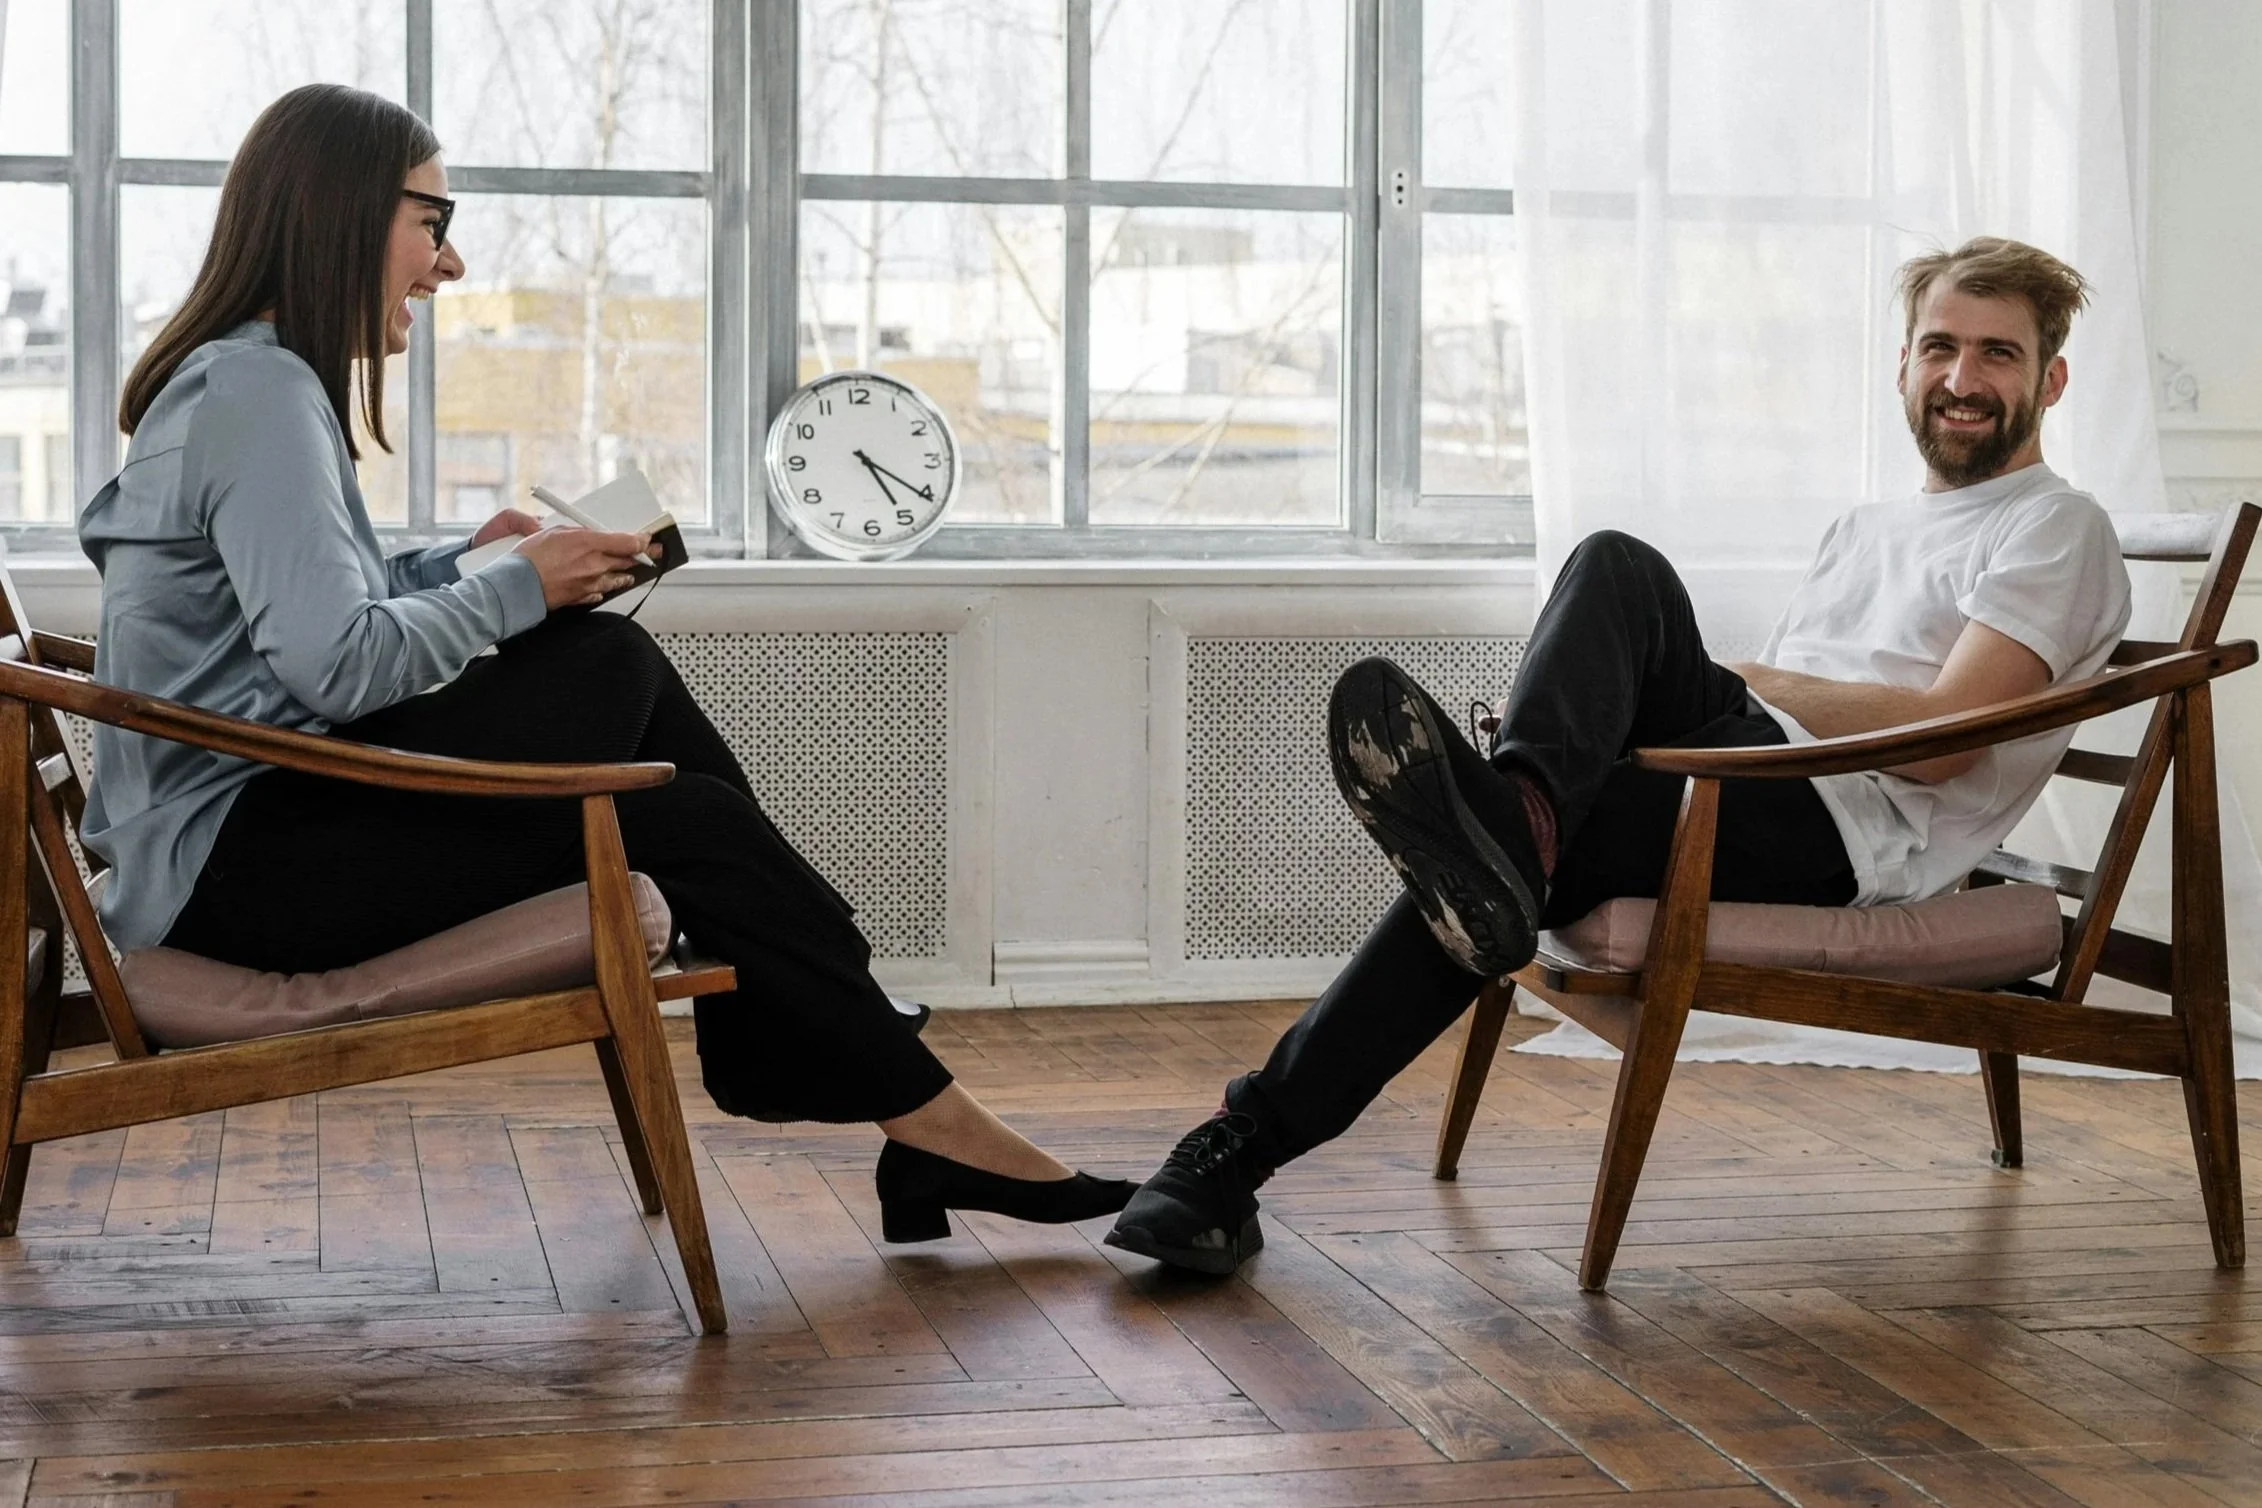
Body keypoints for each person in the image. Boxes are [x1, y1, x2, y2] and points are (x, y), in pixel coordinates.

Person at [78, 84, 1131, 1242]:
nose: (451, 260)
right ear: (343, 211)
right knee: (605, 669)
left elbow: (286, 614)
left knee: (677, 800)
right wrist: (523, 585)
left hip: (255, 830)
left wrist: (457, 565)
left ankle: (914, 1111)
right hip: (244, 874)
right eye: (434, 218)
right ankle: (871, 1049)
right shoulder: (258, 390)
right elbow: (333, 667)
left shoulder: (245, 382)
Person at [1105, 236, 2134, 1274]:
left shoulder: (2057, 524)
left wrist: (1753, 680)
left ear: (2049, 378)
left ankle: (1241, 1143)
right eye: (1940, 347)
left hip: (1840, 826)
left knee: (1512, 833)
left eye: (1997, 354)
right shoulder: (1865, 525)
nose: (1962, 378)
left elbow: (1944, 745)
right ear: (1904, 364)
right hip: (1751, 771)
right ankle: (1519, 824)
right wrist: (1724, 697)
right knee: (1612, 565)